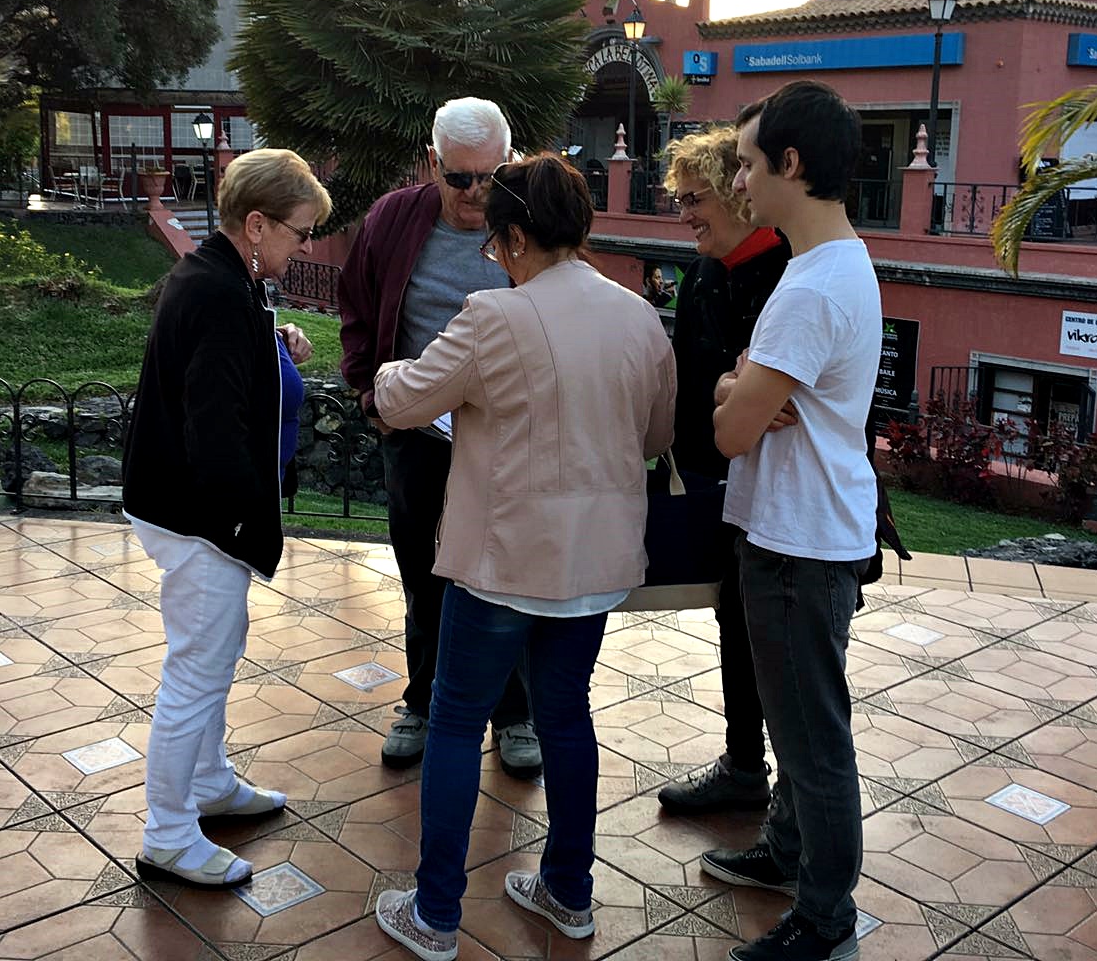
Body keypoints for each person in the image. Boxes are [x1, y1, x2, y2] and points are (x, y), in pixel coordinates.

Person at [368, 154, 675, 961]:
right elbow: (655, 436)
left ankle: (436, 913)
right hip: (595, 563)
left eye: (495, 244)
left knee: (455, 721)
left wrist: (391, 369)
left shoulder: (492, 315)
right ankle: (569, 892)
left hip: (501, 562)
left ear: (510, 237)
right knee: (567, 717)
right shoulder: (639, 316)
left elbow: (403, 399)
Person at [120, 148, 331, 889]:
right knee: (195, 674)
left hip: (196, 515)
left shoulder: (225, 279)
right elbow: (212, 428)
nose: (307, 248)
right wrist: (238, 527)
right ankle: (169, 834)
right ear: (257, 225)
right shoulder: (217, 293)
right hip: (200, 520)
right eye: (301, 232)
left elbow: (225, 366)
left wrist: (273, 342)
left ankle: (207, 783)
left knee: (213, 656)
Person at [704, 81, 880, 961]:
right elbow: (737, 400)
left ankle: (825, 915)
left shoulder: (812, 290)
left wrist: (734, 392)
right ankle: (786, 852)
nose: (738, 182)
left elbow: (730, 432)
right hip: (805, 532)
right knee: (797, 721)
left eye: (746, 164)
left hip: (798, 543)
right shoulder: (832, 266)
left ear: (792, 164)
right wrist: (735, 385)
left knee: (812, 740)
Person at [338, 97, 540, 775]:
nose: (476, 192)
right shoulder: (394, 219)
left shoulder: (529, 221)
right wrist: (367, 393)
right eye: (459, 178)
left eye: (490, 176)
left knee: (508, 576)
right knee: (422, 576)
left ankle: (514, 714)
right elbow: (357, 305)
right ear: (432, 163)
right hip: (418, 434)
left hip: (508, 439)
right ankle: (422, 702)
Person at [654, 127, 792, 814]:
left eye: (694, 199)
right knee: (736, 624)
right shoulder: (707, 272)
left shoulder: (789, 271)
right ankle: (745, 765)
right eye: (679, 200)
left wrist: (736, 394)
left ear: (737, 193)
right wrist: (726, 392)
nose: (684, 214)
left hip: (786, 495)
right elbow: (706, 380)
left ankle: (791, 801)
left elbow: (782, 404)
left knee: (784, 647)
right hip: (720, 483)